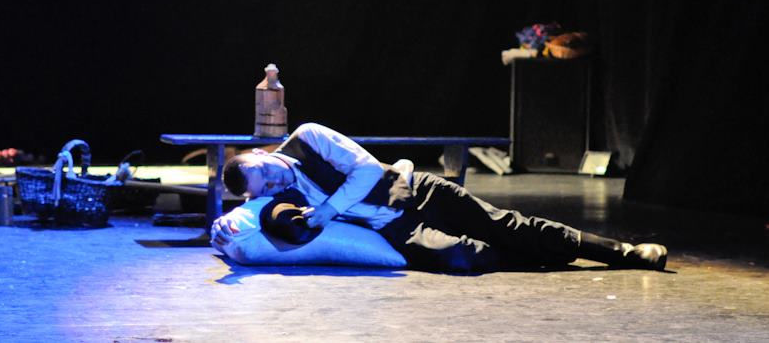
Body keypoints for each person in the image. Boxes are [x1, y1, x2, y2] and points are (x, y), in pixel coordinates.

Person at [211, 123, 668, 273]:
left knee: (507, 225)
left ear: (261, 154)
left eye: (265, 173)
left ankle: (622, 253)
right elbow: (246, 220)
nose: (273, 184)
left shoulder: (308, 137)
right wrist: (225, 227)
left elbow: (367, 169)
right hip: (398, 228)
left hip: (418, 191)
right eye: (264, 188)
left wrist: (328, 209)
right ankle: (548, 258)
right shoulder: (274, 195)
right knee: (465, 258)